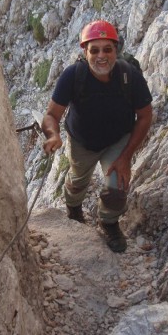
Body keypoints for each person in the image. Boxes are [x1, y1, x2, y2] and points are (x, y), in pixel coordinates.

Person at [41, 20, 153, 253]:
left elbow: (144, 116)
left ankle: (109, 222)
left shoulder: (129, 76)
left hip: (117, 139)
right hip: (83, 141)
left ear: (116, 51)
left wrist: (125, 157)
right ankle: (73, 209)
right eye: (95, 50)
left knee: (117, 185)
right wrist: (53, 135)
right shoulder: (74, 75)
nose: (101, 56)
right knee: (78, 180)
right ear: (85, 52)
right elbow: (51, 114)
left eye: (107, 49)